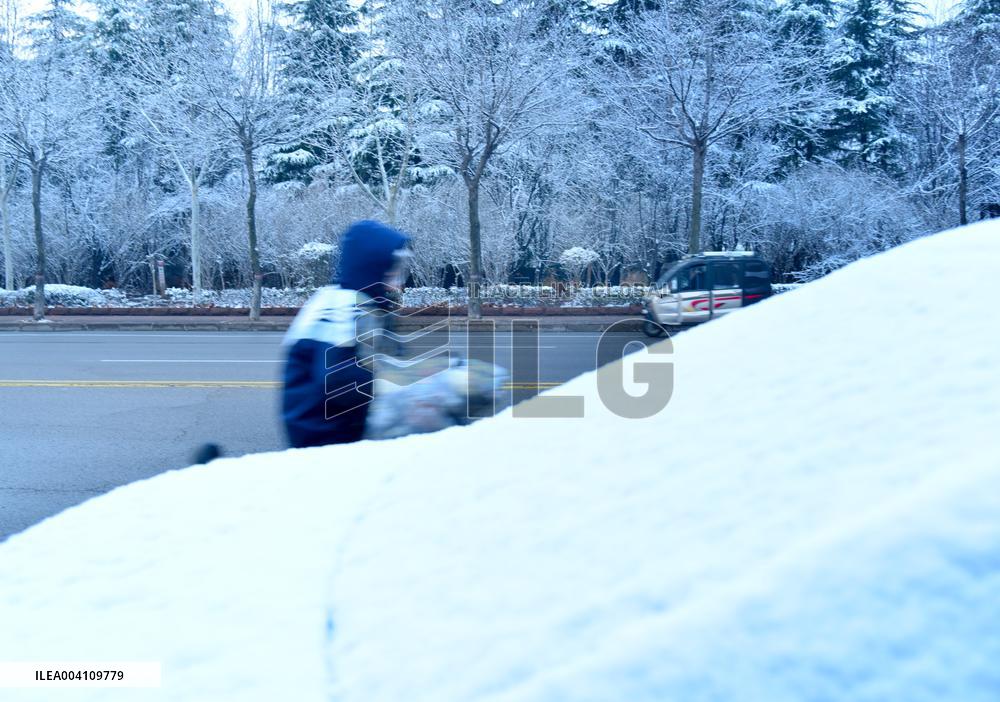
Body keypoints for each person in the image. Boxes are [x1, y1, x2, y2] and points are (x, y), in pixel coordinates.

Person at [281, 220, 409, 448]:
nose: (395, 282)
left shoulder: (353, 299)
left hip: (337, 424)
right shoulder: (343, 305)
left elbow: (383, 353)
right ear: (371, 266)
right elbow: (338, 379)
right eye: (390, 270)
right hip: (323, 434)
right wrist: (398, 385)